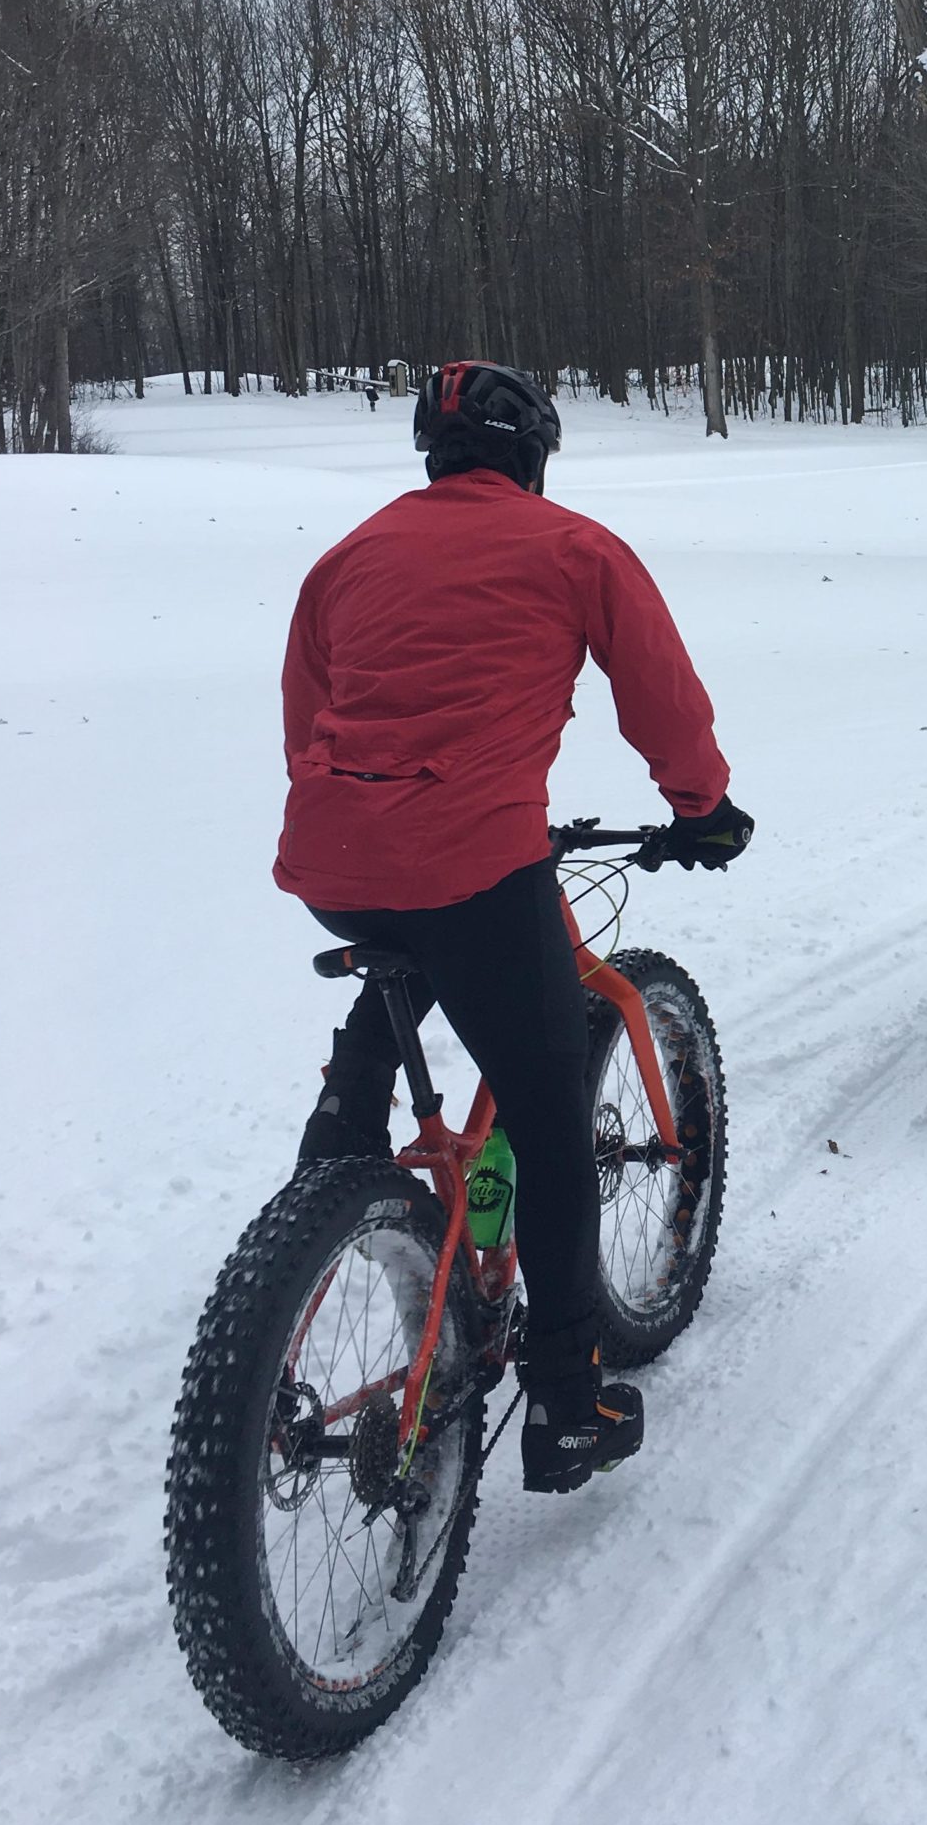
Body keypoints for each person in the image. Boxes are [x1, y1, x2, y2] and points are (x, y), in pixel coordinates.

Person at [274, 360, 752, 1495]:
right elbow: (663, 699)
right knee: (545, 1114)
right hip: (476, 856)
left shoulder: (345, 558)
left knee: (417, 945)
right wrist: (703, 807)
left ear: (433, 453)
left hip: (335, 857)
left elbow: (306, 721)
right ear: (533, 455)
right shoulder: (575, 549)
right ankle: (570, 1400)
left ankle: (334, 1156)